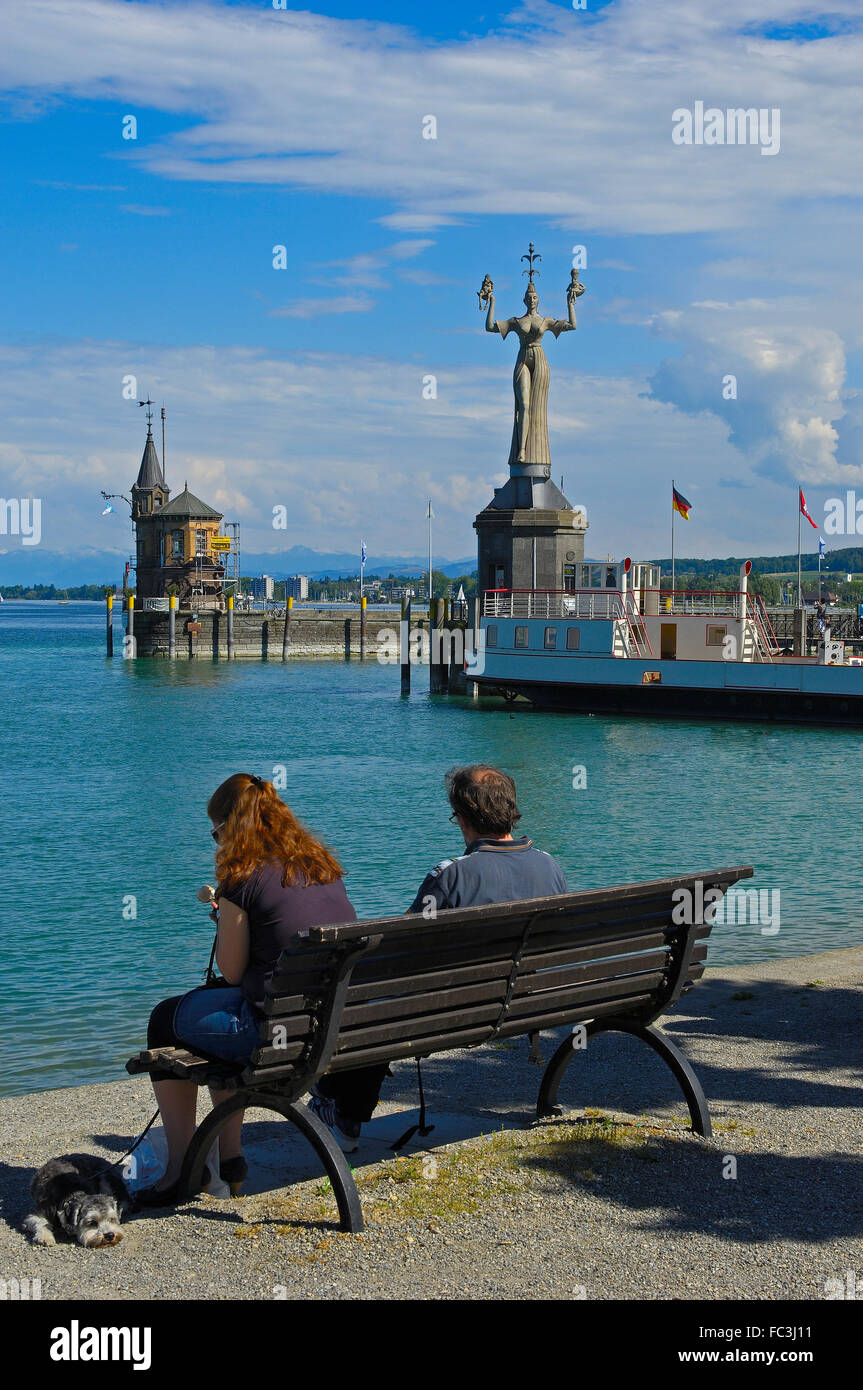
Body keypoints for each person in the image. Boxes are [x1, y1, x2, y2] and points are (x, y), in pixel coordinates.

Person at [310, 764, 567, 1151]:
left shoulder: (451, 876)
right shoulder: (550, 866)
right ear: (510, 809)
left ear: (462, 818)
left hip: (447, 1013)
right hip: (524, 1002)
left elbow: (396, 953)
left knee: (364, 992)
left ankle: (343, 1115)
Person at [136, 773, 356, 1205]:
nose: (214, 839)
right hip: (332, 1021)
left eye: (215, 830)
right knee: (220, 1009)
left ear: (229, 827)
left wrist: (225, 917)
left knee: (165, 1019)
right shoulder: (323, 866)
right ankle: (230, 1158)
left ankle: (183, 1167)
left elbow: (233, 971)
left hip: (277, 1033)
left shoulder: (241, 877)